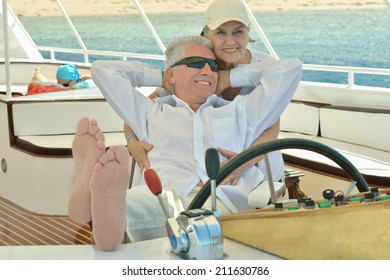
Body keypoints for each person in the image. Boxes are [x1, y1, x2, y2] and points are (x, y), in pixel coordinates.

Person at [68, 35, 302, 250]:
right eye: (196, 63)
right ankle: (96, 206)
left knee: (188, 222)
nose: (207, 71)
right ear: (171, 74)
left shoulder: (240, 111)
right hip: (162, 196)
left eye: (213, 66)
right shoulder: (151, 112)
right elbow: (102, 70)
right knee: (125, 206)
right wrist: (160, 77)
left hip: (222, 201)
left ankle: (95, 211)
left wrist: (228, 77)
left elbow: (291, 69)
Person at [124, 0, 284, 185]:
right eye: (220, 32)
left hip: (258, 164)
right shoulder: (199, 66)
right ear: (206, 36)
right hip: (214, 169)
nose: (230, 41)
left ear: (248, 34)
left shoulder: (265, 68)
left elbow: (272, 125)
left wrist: (243, 163)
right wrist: (131, 141)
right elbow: (142, 108)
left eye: (238, 31)